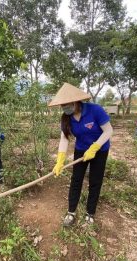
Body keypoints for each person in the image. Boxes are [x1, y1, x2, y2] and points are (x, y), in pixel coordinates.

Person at [49, 83, 113, 226]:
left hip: (100, 149)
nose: (65, 107)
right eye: (62, 105)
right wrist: (60, 161)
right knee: (76, 180)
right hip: (81, 150)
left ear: (76, 101)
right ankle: (71, 212)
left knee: (95, 181)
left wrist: (95, 147)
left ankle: (90, 213)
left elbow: (108, 131)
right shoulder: (66, 118)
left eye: (67, 104)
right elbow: (64, 138)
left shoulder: (95, 110)